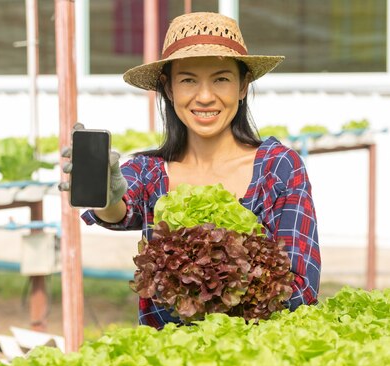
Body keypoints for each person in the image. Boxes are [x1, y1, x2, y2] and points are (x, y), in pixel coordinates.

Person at [61, 12, 321, 329]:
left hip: (257, 360)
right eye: (188, 80)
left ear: (243, 86)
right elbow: (120, 210)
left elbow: (301, 287)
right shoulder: (150, 170)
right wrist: (106, 194)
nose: (205, 96)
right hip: (170, 365)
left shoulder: (278, 167)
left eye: (221, 79)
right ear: (168, 89)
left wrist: (216, 302)